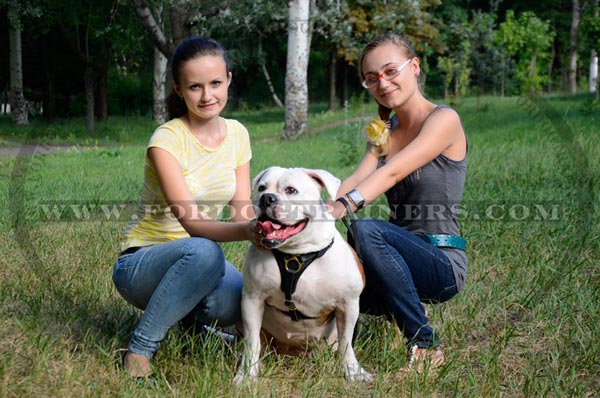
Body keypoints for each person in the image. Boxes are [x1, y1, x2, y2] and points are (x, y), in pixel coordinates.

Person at [112, 36, 261, 378]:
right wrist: (249, 232)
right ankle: (139, 350)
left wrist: (270, 227)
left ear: (229, 80)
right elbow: (193, 224)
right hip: (141, 263)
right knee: (205, 252)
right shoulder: (166, 140)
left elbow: (242, 211)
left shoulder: (238, 134)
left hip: (200, 259)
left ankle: (193, 328)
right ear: (179, 90)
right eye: (195, 86)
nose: (207, 96)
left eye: (215, 83)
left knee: (241, 297)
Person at [329, 32, 468, 373]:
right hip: (394, 264)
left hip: (441, 262)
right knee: (330, 283)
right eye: (372, 77)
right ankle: (334, 338)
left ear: (415, 67)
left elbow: (391, 173)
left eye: (391, 71)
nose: (383, 82)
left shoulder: (444, 120)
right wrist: (312, 207)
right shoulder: (384, 131)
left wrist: (346, 205)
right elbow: (355, 181)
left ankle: (425, 345)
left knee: (365, 230)